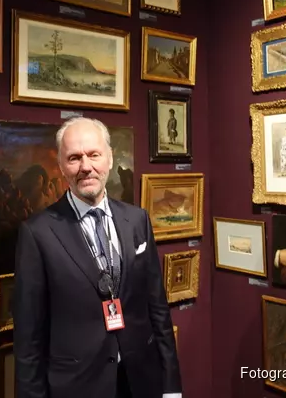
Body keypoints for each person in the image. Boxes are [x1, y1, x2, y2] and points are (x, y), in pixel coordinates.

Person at [14, 117, 182, 398]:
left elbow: (158, 307)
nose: (86, 166)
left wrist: (171, 385)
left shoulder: (137, 219)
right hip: (79, 386)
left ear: (110, 158)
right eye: (74, 158)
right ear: (61, 166)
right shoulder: (37, 233)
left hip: (142, 379)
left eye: (94, 155)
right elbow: (28, 337)